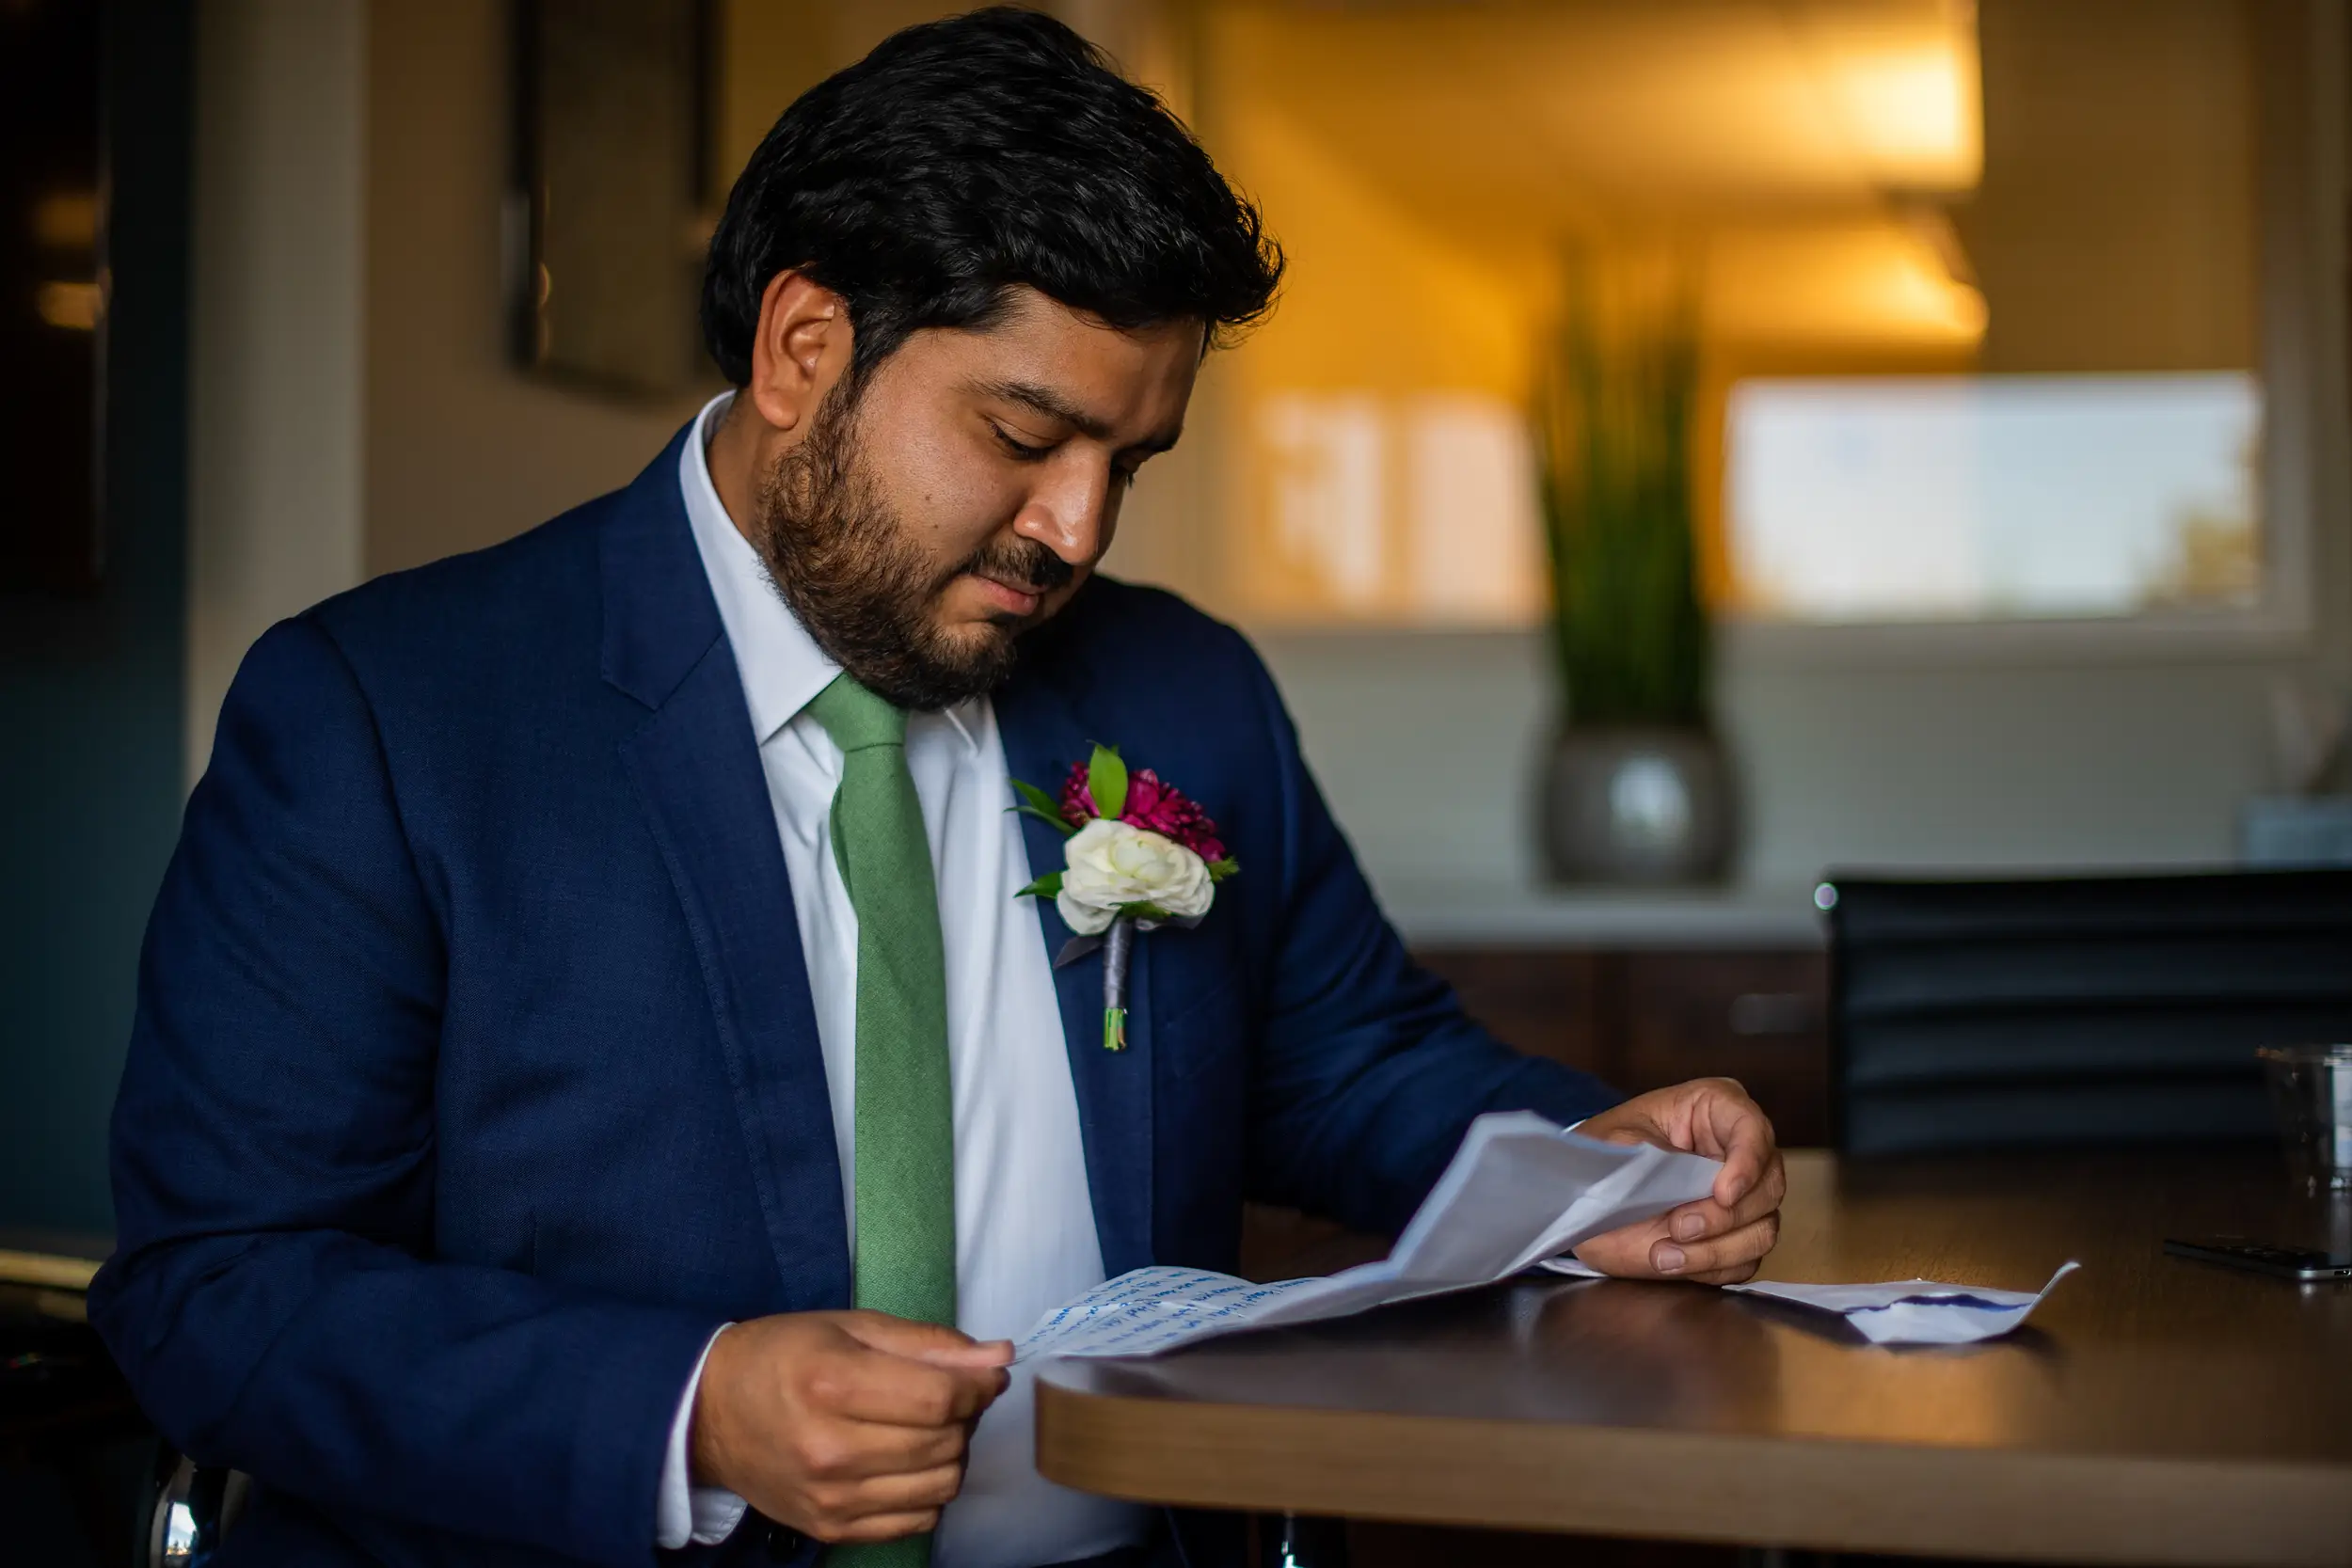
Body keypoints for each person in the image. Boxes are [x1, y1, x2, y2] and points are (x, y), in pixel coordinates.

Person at [90, 11, 1786, 1568]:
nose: (1079, 530)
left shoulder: (1186, 690)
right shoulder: (389, 717)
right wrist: (692, 1405)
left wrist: (1586, 1161)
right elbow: (220, 1289)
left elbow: (1344, 1055)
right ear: (803, 346)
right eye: (1022, 434)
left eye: (1129, 460)